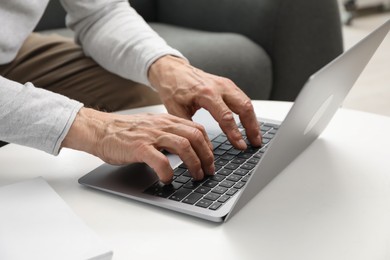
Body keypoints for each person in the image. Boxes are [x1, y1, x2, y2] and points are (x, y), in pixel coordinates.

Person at [0, 0, 261, 183]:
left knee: (145, 104)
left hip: (10, 49)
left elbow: (99, 12)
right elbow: (95, 127)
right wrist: (96, 129)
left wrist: (166, 67)